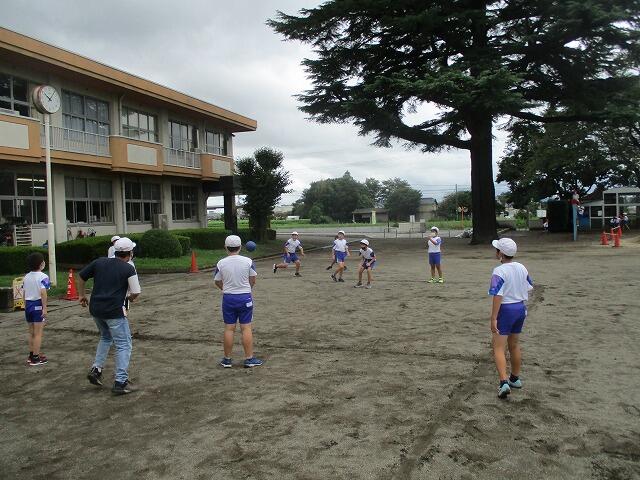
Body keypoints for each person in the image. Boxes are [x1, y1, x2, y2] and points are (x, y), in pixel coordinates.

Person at [77, 237, 141, 395]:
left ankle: (96, 369)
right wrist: (130, 298)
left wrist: (81, 295)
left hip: (96, 309)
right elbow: (136, 292)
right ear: (129, 253)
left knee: (106, 337)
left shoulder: (99, 262)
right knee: (124, 344)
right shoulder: (128, 268)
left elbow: (81, 276)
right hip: (114, 311)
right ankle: (120, 381)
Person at [489, 238, 534, 399]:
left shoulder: (499, 271)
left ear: (501, 253)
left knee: (498, 347)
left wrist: (494, 318)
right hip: (520, 308)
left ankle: (503, 382)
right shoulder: (521, 267)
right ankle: (515, 378)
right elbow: (529, 286)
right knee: (514, 345)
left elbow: (497, 295)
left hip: (506, 309)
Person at [215, 235, 263, 368]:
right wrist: (247, 289)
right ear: (240, 247)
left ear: (226, 247)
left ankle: (227, 360)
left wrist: (225, 289)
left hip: (228, 298)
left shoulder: (221, 263)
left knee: (229, 328)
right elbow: (253, 280)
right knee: (246, 327)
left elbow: (217, 281)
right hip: (244, 297)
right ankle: (249, 358)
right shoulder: (248, 261)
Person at [23, 252, 51, 366]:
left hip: (28, 305)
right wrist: (45, 308)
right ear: (41, 264)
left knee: (31, 332)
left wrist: (26, 306)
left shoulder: (26, 277)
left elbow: (24, 293)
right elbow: (43, 292)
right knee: (38, 333)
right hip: (37, 305)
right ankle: (35, 358)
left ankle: (31, 355)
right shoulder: (43, 276)